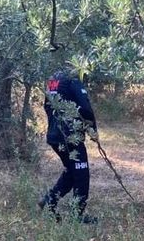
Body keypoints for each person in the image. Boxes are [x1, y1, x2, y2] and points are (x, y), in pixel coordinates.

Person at [38, 69, 99, 223]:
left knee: (71, 172)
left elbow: (47, 106)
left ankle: (48, 201)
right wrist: (93, 130)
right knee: (81, 174)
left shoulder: (53, 80)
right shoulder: (73, 80)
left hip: (54, 136)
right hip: (70, 137)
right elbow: (85, 108)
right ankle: (76, 216)